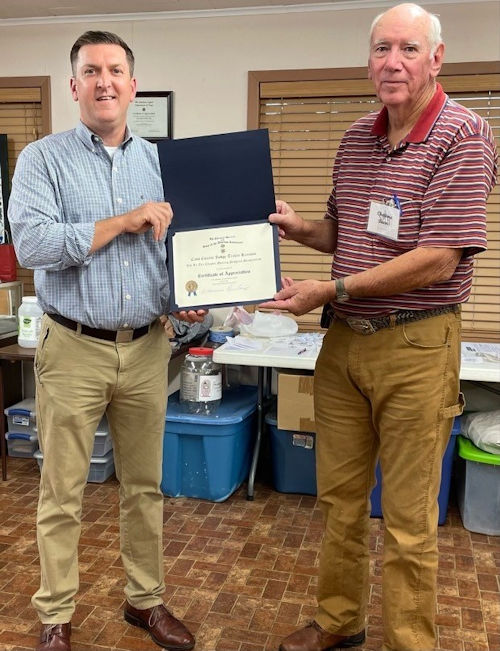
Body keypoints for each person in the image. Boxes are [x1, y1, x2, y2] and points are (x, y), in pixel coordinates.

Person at [261, 4, 497, 651]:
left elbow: (438, 256)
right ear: (369, 61)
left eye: (409, 49)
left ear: (436, 59)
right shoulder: (356, 138)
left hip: (417, 345)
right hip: (343, 345)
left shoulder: (463, 134)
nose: (393, 61)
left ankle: (408, 642)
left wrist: (329, 288)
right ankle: (340, 620)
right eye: (382, 49)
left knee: (410, 518)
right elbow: (346, 234)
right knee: (337, 500)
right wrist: (297, 225)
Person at [8, 30, 206, 651]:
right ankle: (55, 614)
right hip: (72, 347)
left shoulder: (164, 162)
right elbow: (33, 248)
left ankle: (145, 601)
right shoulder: (42, 160)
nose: (104, 82)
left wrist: (194, 297)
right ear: (74, 86)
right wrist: (124, 221)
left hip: (148, 347)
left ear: (132, 83)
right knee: (62, 490)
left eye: (115, 70)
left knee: (144, 487)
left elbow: (180, 256)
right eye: (90, 71)